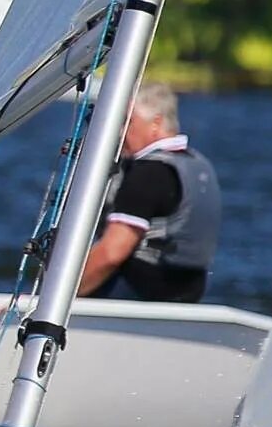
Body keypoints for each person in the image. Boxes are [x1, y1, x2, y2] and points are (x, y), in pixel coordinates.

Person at [78, 81, 219, 302]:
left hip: (136, 295)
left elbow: (112, 253)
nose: (119, 132)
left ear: (156, 123)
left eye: (127, 122)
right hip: (186, 298)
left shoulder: (149, 174)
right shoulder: (200, 166)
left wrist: (59, 300)